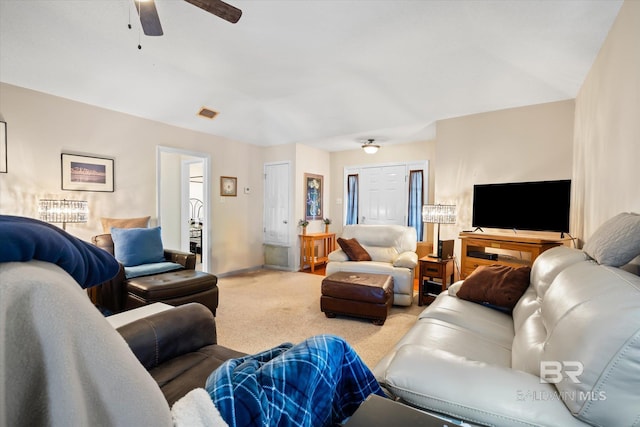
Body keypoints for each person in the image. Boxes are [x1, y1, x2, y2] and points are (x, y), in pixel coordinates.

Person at [204, 334, 385, 427]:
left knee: (301, 351)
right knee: (332, 344)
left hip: (212, 408)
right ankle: (376, 409)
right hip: (229, 410)